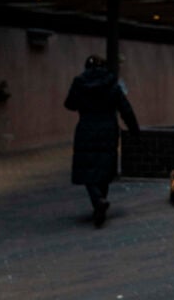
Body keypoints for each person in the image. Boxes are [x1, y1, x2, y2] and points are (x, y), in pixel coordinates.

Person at [65, 55, 139, 228]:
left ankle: (97, 199)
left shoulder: (79, 83)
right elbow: (125, 108)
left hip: (87, 129)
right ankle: (101, 200)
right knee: (105, 166)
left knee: (87, 167)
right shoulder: (111, 84)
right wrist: (134, 129)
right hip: (108, 129)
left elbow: (69, 104)